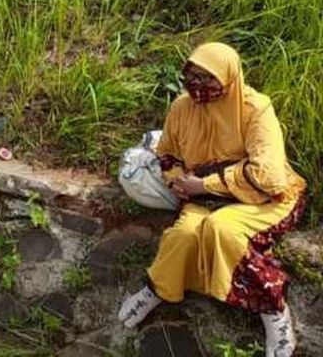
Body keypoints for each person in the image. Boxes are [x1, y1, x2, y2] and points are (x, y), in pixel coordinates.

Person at [117, 43, 307, 356]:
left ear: (229, 79)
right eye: (192, 75)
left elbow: (267, 174)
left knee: (222, 230)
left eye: (208, 78)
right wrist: (176, 179)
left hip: (261, 197)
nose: (198, 85)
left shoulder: (255, 109)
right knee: (183, 234)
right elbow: (166, 152)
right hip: (203, 195)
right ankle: (157, 289)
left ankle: (274, 312)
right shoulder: (182, 106)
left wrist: (204, 184)